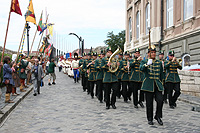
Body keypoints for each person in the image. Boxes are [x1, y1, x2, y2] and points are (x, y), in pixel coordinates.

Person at [140, 45, 164, 125]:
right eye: (152, 52)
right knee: (149, 103)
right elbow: (141, 68)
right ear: (148, 54)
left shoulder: (159, 62)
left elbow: (161, 74)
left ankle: (158, 116)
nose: (153, 54)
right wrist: (147, 64)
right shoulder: (144, 61)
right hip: (148, 85)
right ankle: (150, 118)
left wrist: (162, 84)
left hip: (157, 84)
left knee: (160, 100)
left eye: (154, 52)